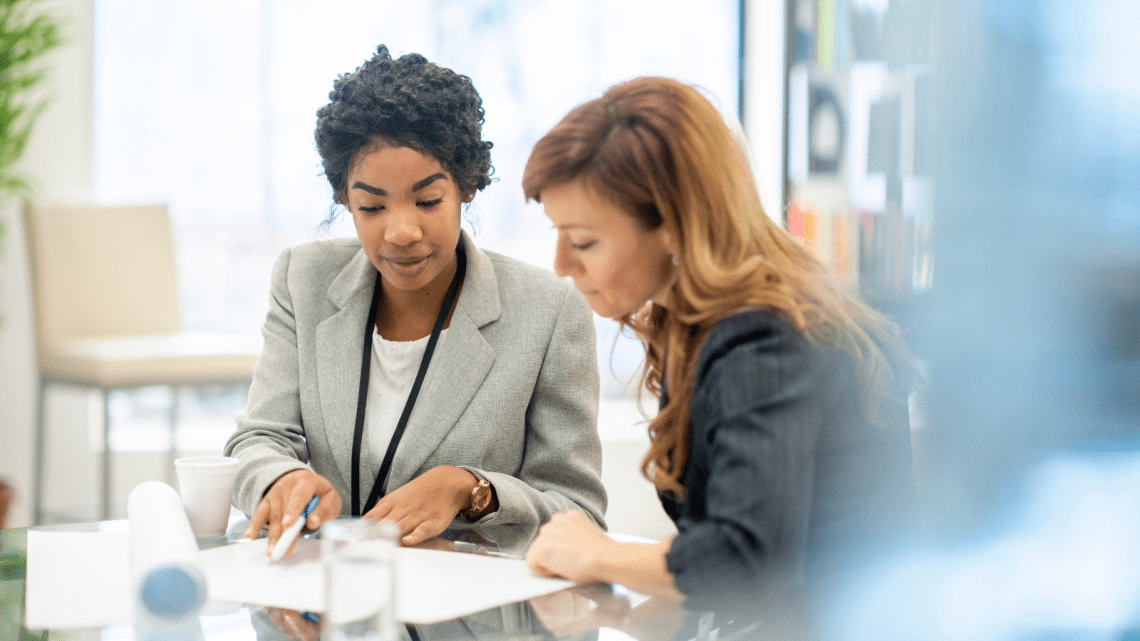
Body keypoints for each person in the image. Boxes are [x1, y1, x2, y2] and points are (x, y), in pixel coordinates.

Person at [521, 77, 916, 622]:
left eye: (585, 241)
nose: (562, 265)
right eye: (557, 235)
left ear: (673, 224)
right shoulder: (704, 325)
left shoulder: (763, 341)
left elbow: (743, 562)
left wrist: (600, 554)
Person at [225, 45, 606, 554]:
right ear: (345, 198)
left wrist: (472, 489)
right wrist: (279, 480)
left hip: (473, 618)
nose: (401, 231)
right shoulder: (304, 279)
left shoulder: (549, 313)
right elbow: (258, 440)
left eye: (427, 201)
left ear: (467, 186)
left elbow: (579, 512)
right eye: (371, 206)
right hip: (331, 608)